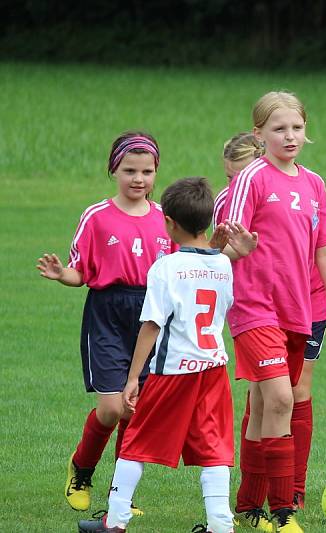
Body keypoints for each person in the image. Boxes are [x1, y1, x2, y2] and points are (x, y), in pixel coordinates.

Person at [77, 177, 236, 533]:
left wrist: (133, 378)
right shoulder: (224, 265)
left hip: (173, 370)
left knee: (136, 441)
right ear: (207, 221)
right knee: (214, 447)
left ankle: (114, 521)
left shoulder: (165, 268)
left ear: (170, 224)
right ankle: (220, 525)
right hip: (213, 367)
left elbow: (151, 326)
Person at [221, 91, 326, 533]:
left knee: (262, 406)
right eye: (279, 128)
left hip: (297, 311)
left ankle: (247, 506)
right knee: (280, 399)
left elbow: (325, 251)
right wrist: (236, 248)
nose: (290, 135)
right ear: (259, 134)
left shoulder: (313, 184)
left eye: (296, 127)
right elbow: (221, 242)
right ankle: (283, 512)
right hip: (254, 308)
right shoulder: (251, 178)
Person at [37, 132, 173, 515]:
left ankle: (121, 495)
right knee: (113, 408)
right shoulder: (96, 217)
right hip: (108, 313)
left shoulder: (165, 217)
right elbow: (81, 272)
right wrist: (63, 274)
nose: (138, 179)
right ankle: (81, 468)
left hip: (151, 316)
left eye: (147, 171)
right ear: (113, 169)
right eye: (129, 170)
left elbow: (180, 267)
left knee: (136, 409)